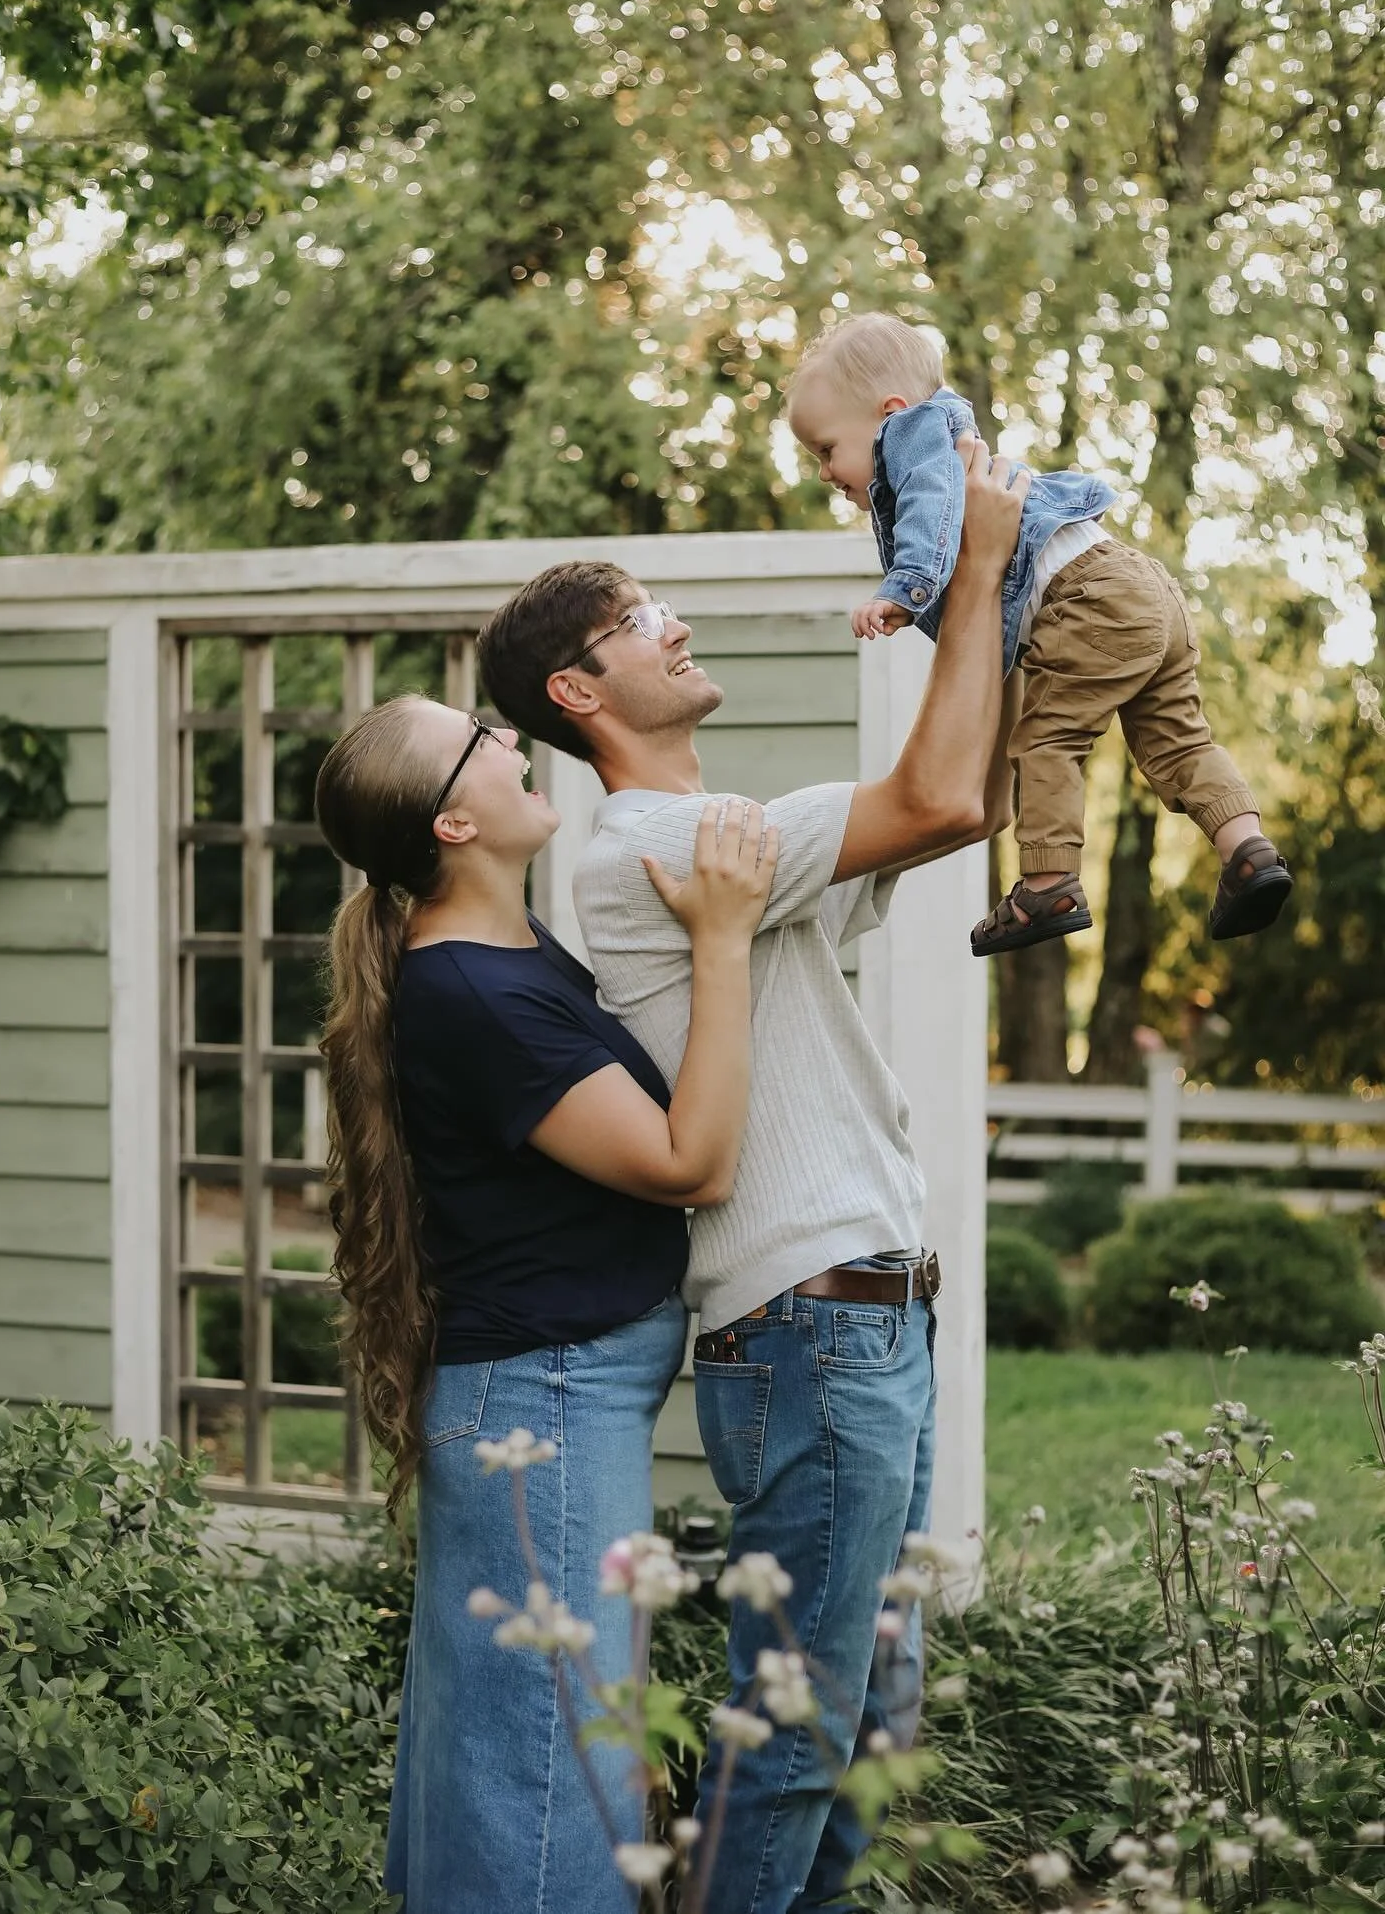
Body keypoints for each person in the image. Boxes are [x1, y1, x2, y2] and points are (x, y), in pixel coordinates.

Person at [476, 438, 1024, 1914]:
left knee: (860, 1732)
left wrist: (999, 587)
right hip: (813, 1324)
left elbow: (947, 791)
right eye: (640, 618)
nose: (677, 624)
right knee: (799, 1735)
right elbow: (948, 797)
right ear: (580, 696)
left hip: (866, 1324)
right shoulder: (657, 847)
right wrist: (969, 566)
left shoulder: (729, 851)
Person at [313, 692, 778, 1914]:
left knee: (514, 1761)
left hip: (550, 1396)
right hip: (545, 1404)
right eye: (482, 738)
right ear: (456, 818)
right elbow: (693, 1162)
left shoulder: (505, 953)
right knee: (549, 1782)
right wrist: (724, 939)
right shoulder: (473, 992)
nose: (513, 740)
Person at [785, 310, 1293, 956]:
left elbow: (929, 519)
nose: (826, 473)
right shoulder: (955, 440)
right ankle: (1247, 851)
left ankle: (1049, 882)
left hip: (1085, 597)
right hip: (1141, 586)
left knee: (1049, 738)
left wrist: (904, 591)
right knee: (1179, 738)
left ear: (889, 414)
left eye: (827, 450)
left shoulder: (914, 439)